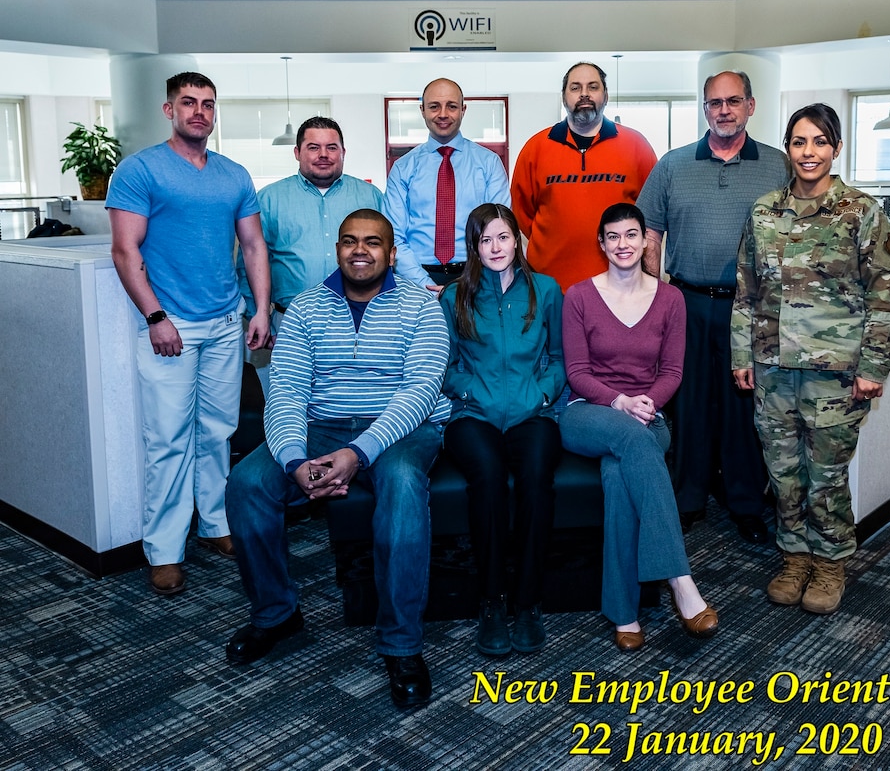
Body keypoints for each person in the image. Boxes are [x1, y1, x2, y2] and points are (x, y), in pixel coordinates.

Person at [223, 209, 450, 710]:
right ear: (338, 250)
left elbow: (421, 391)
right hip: (322, 424)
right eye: (349, 241)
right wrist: (293, 460)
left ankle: (401, 643)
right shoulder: (304, 308)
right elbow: (284, 392)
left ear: (392, 254)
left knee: (404, 485)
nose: (360, 250)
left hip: (403, 427)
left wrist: (357, 452)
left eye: (373, 242)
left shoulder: (421, 307)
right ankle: (276, 615)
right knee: (246, 483)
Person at [732, 103, 890, 615]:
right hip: (773, 368)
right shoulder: (764, 211)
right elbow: (747, 290)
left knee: (825, 473)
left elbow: (886, 297)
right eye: (799, 142)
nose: (809, 153)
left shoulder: (861, 212)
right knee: (782, 471)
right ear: (787, 149)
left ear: (836, 149)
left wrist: (874, 369)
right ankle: (794, 556)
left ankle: (830, 563)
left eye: (819, 143)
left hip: (836, 373)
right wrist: (742, 354)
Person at [107, 71, 271, 596]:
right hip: (170, 327)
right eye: (188, 103)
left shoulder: (233, 174)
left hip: (226, 324)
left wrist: (260, 309)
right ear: (169, 110)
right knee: (169, 440)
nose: (199, 111)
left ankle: (216, 525)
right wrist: (156, 317)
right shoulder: (140, 170)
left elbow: (252, 247)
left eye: (207, 104)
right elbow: (125, 251)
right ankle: (164, 549)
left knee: (218, 432)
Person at [637, 70, 789, 544]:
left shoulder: (778, 166)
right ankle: (687, 498)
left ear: (751, 106)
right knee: (689, 405)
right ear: (704, 108)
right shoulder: (673, 165)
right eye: (714, 102)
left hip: (751, 308)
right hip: (685, 302)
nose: (723, 110)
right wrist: (650, 299)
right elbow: (651, 235)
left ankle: (745, 501)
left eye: (733, 101)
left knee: (744, 407)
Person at [559, 203, 718, 652]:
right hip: (587, 412)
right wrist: (620, 401)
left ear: (646, 240)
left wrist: (645, 404)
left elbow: (671, 371)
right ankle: (681, 580)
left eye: (631, 235)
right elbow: (577, 372)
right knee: (632, 440)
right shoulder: (579, 297)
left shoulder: (671, 299)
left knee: (617, 475)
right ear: (601, 244)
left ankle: (623, 612)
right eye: (613, 236)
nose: (623, 244)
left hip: (649, 414)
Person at [439, 203, 565, 657]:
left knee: (535, 477)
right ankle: (492, 601)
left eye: (504, 237)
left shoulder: (546, 291)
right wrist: (473, 393)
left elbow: (561, 359)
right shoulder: (455, 297)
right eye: (485, 240)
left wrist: (544, 395)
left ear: (518, 241)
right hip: (472, 416)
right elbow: (445, 366)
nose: (496, 247)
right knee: (488, 479)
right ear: (474, 246)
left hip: (535, 414)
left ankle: (528, 602)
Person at [239, 116, 385, 395]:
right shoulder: (268, 199)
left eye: (331, 147)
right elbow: (249, 264)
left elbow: (389, 261)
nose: (323, 155)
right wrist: (261, 319)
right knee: (289, 411)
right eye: (313, 147)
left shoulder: (371, 197)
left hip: (361, 323)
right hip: (290, 326)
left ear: (343, 152)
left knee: (354, 407)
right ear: (297, 152)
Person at [512, 62, 657, 292]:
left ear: (606, 95)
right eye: (575, 88)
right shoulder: (535, 148)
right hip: (549, 287)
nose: (584, 94)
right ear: (564, 96)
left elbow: (651, 214)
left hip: (620, 286)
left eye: (593, 87)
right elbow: (523, 215)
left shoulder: (636, 146)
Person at [385, 78, 511, 290]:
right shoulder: (402, 168)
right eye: (434, 106)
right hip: (415, 281)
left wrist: (471, 282)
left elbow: (500, 228)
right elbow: (394, 234)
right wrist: (424, 284)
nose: (443, 114)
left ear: (463, 110)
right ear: (422, 110)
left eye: (451, 106)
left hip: (477, 279)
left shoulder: (489, 163)